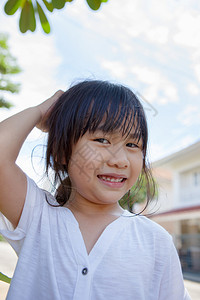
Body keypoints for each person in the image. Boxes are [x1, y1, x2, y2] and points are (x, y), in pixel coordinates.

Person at [0, 80, 191, 299]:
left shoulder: (156, 241)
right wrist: (41, 111)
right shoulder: (37, 216)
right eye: (102, 140)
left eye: (132, 145)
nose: (120, 160)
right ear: (62, 151)